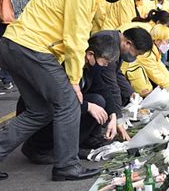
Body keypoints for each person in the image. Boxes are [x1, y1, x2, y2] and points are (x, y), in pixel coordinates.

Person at [0, 0, 133, 182]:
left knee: (40, 110)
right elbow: (75, 39)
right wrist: (74, 81)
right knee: (69, 103)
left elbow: (87, 30)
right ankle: (67, 165)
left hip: (14, 46)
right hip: (32, 48)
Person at [20, 32, 124, 164]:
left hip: (64, 105)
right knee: (93, 105)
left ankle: (76, 144)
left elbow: (102, 88)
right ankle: (39, 148)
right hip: (44, 109)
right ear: (90, 54)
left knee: (99, 100)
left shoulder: (92, 66)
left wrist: (113, 116)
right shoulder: (64, 65)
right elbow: (59, 99)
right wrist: (88, 106)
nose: (105, 66)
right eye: (105, 62)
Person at [122, 24, 169, 97]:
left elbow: (162, 70)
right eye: (167, 41)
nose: (168, 44)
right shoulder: (147, 55)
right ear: (157, 41)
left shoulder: (155, 52)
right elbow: (158, 77)